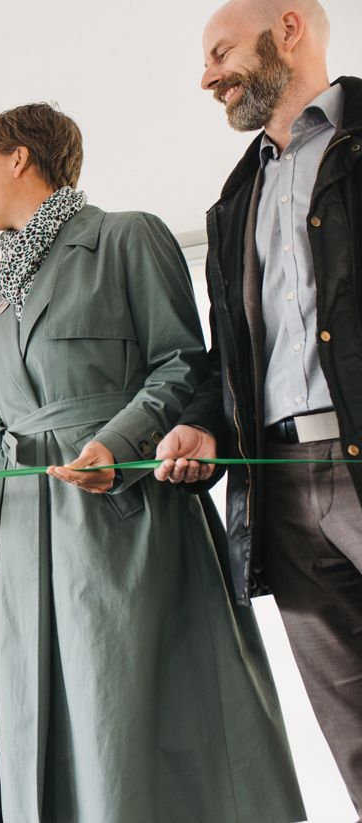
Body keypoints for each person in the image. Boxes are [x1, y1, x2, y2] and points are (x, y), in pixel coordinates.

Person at [0, 103, 306, 823]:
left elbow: (180, 367)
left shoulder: (127, 236)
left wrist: (119, 444)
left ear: (19, 158)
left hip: (121, 520)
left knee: (132, 723)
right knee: (50, 731)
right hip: (25, 543)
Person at [155, 0, 362, 811]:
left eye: (220, 53)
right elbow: (232, 355)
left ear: (289, 29)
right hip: (279, 484)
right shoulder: (235, 197)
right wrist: (204, 418)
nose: (208, 78)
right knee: (350, 726)